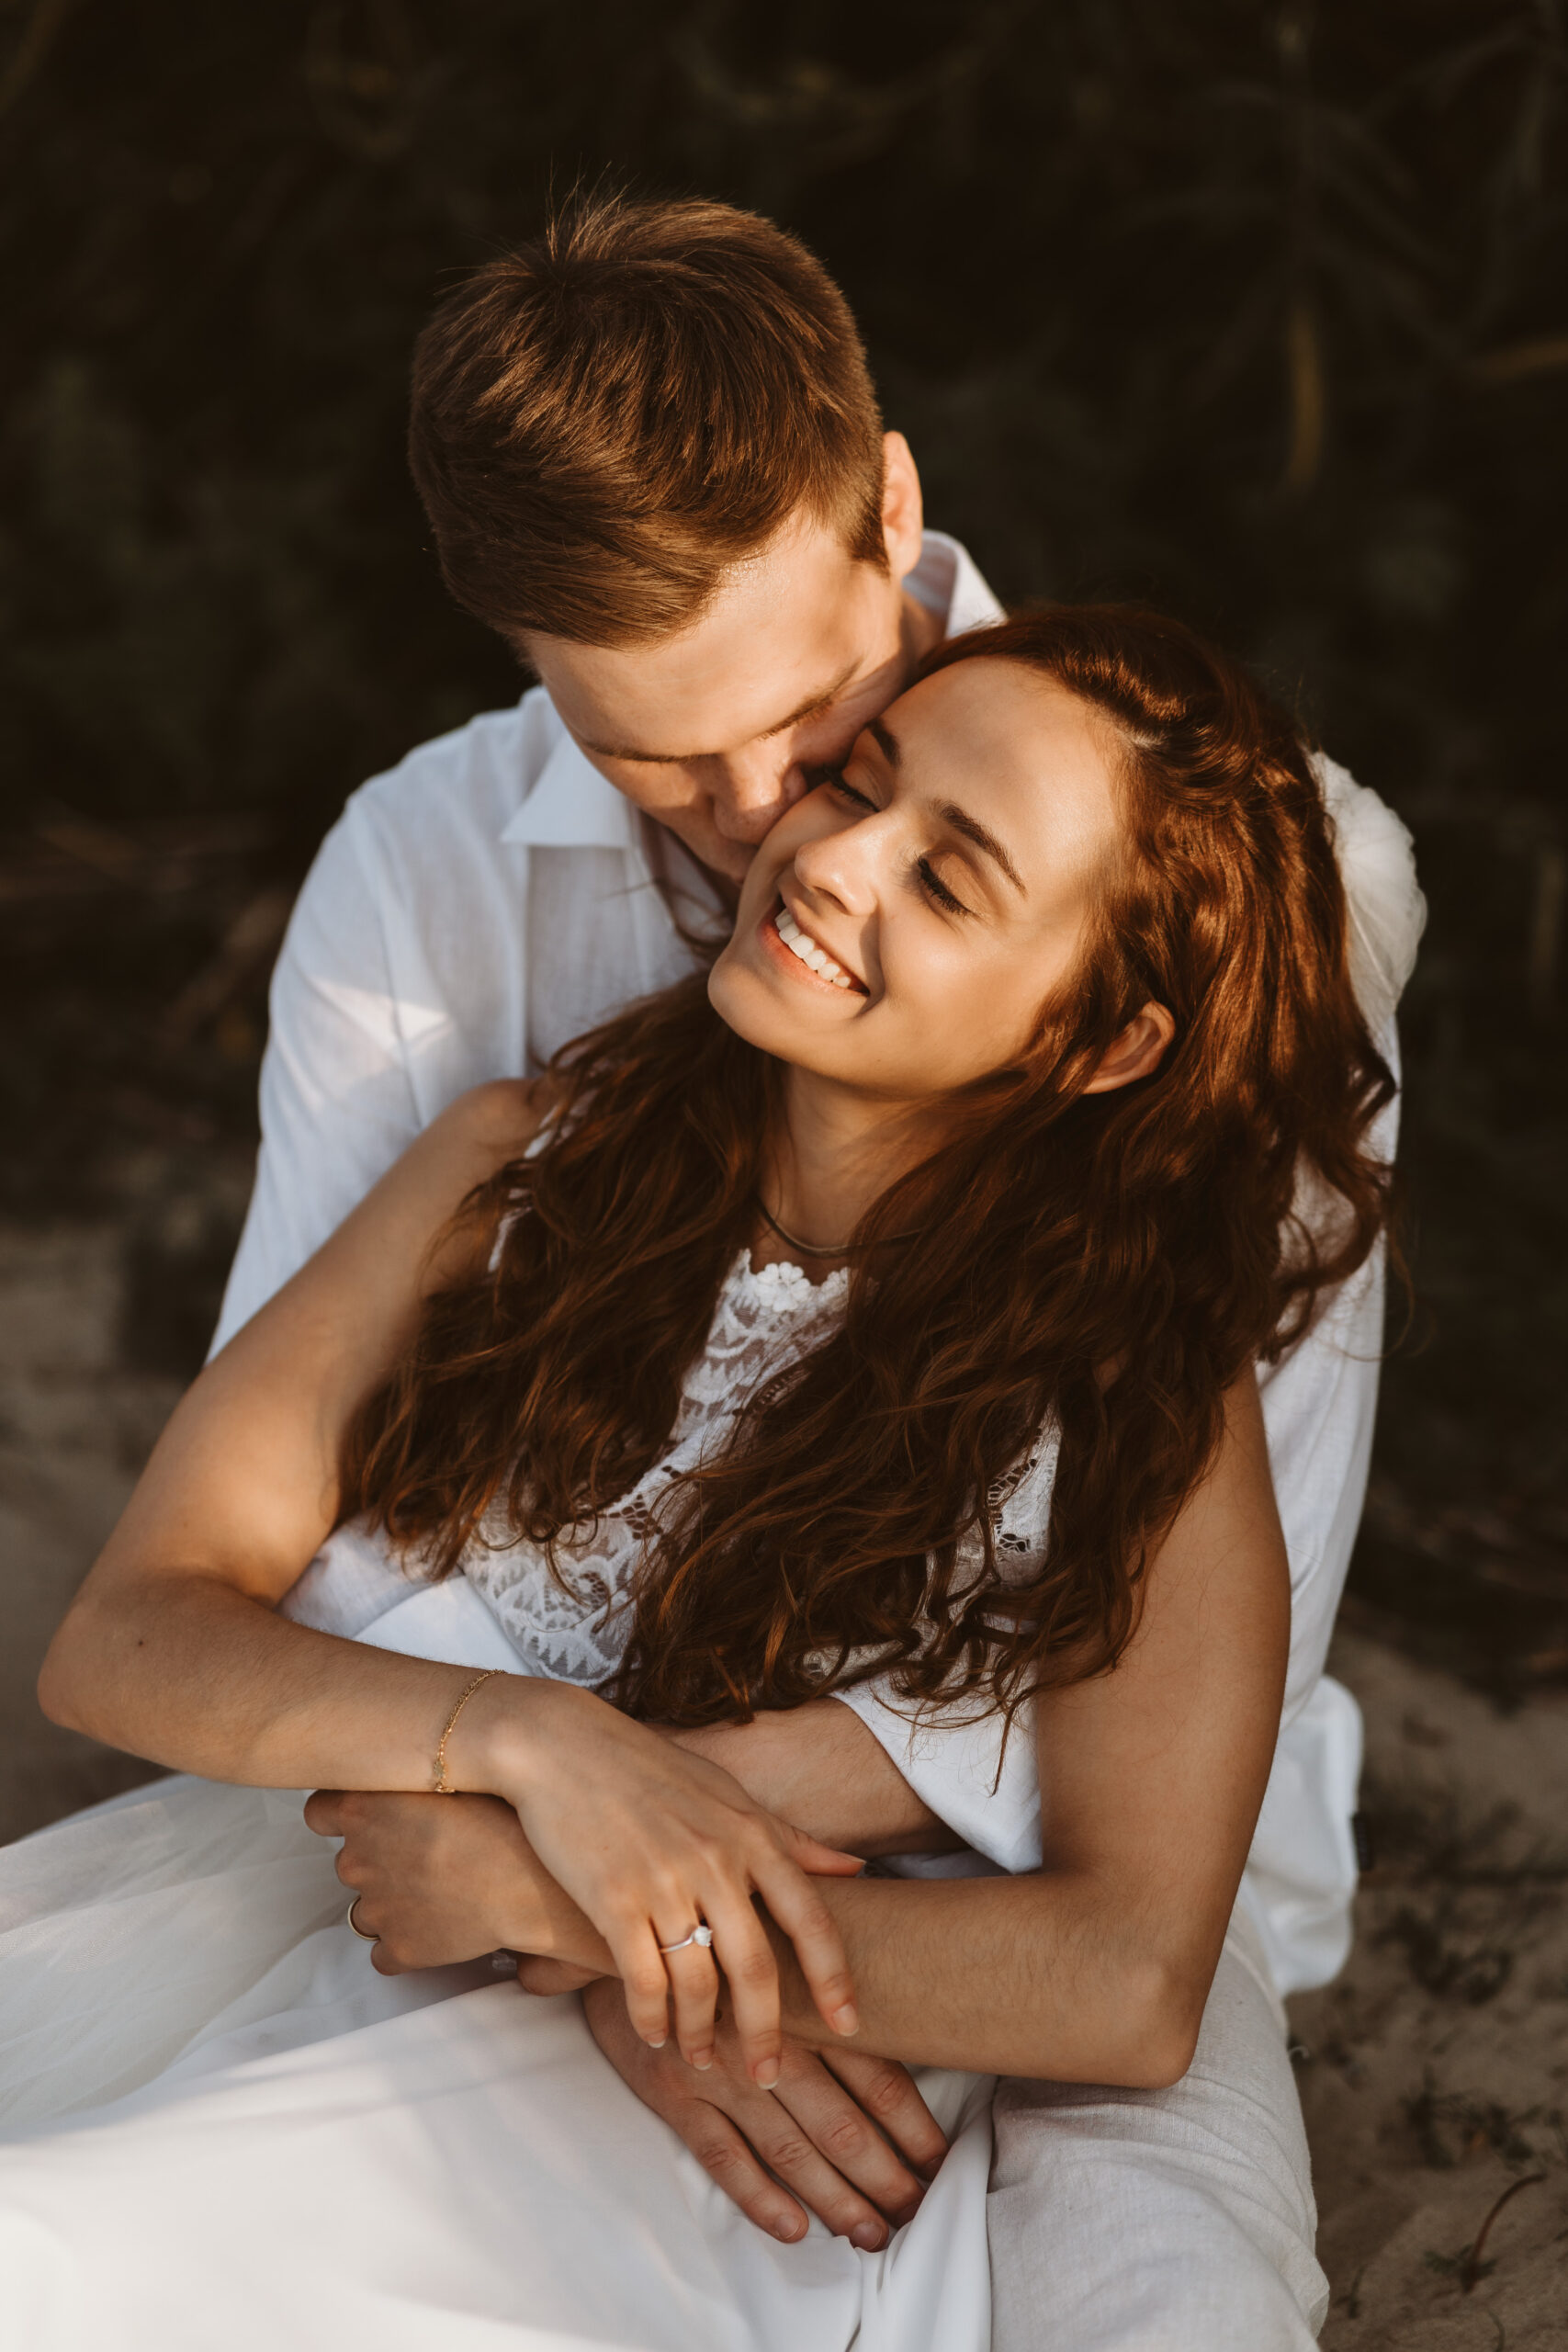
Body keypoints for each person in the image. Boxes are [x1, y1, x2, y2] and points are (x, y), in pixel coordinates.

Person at [6, 604, 1400, 2348]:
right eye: (860, 785)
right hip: (332, 1943)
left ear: (1102, 1039)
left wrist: (567, 1904)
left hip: (737, 2138)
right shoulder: (514, 1166)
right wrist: (530, 1746)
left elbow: (1128, 1980)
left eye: (950, 882)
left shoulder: (1135, 1395)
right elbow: (125, 1637)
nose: (831, 862)